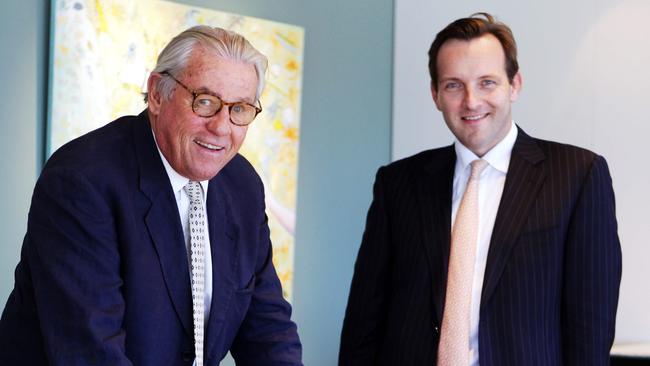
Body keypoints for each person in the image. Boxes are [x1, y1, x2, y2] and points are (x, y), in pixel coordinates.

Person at [0, 26, 302, 365]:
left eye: (241, 109)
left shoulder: (242, 185)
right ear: (157, 93)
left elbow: (269, 332)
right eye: (205, 102)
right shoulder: (82, 180)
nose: (221, 127)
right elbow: (91, 352)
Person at [340, 12, 621, 366]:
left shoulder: (578, 176)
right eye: (454, 85)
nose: (471, 101)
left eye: (487, 82)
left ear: (514, 84)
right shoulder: (398, 183)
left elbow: (590, 330)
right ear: (435, 94)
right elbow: (364, 318)